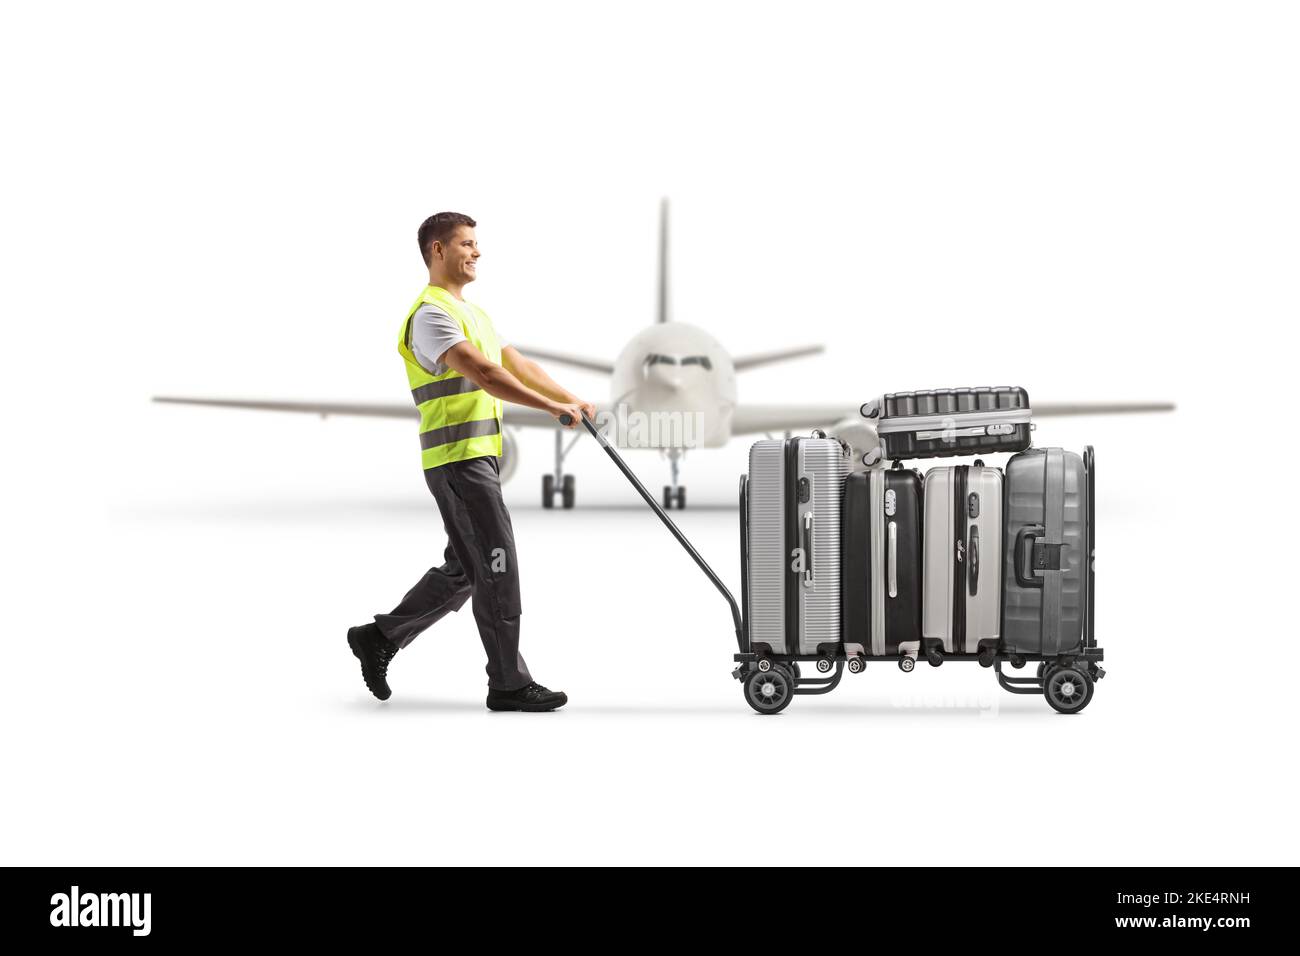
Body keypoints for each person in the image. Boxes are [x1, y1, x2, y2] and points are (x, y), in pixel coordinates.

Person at [347, 211, 595, 712]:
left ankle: (379, 638)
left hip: (478, 458)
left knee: (467, 567)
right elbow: (482, 371)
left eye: (477, 243)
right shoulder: (430, 314)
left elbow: (513, 363)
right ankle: (507, 682)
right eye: (466, 243)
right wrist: (551, 409)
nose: (477, 252)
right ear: (438, 250)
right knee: (498, 564)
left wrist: (573, 399)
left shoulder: (473, 314)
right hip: (458, 460)